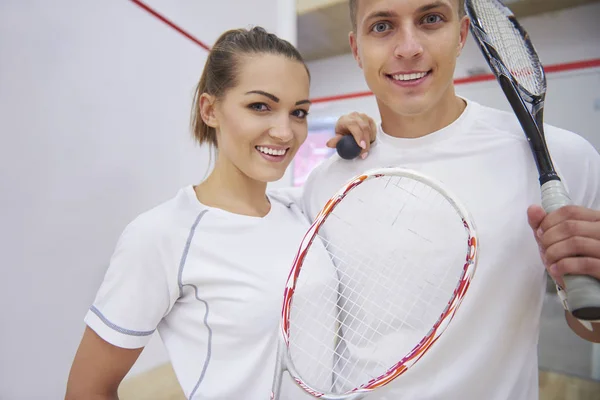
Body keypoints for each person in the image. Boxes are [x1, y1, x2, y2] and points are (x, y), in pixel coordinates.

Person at [301, 0, 600, 399]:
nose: (408, 48)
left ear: (461, 35)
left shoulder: (566, 158)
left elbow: (590, 325)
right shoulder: (324, 184)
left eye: (430, 19)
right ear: (357, 49)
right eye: (383, 27)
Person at [65, 26, 375, 400]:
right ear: (210, 109)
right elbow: (87, 390)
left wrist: (367, 140)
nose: (284, 131)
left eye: (298, 112)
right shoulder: (162, 235)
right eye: (260, 106)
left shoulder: (301, 210)